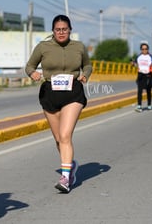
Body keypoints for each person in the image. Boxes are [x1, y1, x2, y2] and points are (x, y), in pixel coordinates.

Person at [25, 14, 92, 193]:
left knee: (65, 135)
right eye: (58, 29)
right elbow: (29, 66)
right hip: (50, 94)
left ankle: (65, 178)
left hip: (73, 93)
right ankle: (71, 166)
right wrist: (33, 74)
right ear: (53, 31)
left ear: (70, 30)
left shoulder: (78, 47)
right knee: (58, 139)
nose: (61, 32)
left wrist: (85, 75)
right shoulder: (43, 47)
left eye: (64, 29)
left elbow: (88, 65)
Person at [133, 42, 152, 112]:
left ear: (147, 49)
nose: (144, 50)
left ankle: (149, 105)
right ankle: (139, 105)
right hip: (140, 75)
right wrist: (133, 64)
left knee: (148, 91)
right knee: (139, 90)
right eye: (143, 49)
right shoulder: (139, 56)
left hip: (148, 75)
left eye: (145, 49)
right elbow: (135, 64)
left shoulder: (150, 57)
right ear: (141, 50)